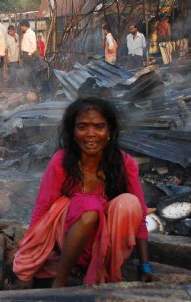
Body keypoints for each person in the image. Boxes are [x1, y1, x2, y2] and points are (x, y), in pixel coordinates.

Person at [12, 97, 152, 288]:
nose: (90, 134)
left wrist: (145, 265)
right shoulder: (61, 161)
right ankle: (59, 282)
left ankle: (106, 267)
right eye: (83, 126)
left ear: (109, 131)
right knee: (89, 207)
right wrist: (27, 262)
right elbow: (42, 210)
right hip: (68, 238)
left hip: (105, 245)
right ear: (73, 132)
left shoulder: (125, 163)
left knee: (129, 203)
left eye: (99, 126)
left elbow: (141, 216)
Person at [20, 20, 39, 90]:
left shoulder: (31, 33)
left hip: (28, 54)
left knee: (30, 71)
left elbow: (34, 45)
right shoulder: (26, 33)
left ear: (24, 26)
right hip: (25, 54)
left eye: (21, 26)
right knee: (27, 71)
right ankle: (29, 87)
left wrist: (30, 54)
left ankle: (34, 87)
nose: (21, 28)